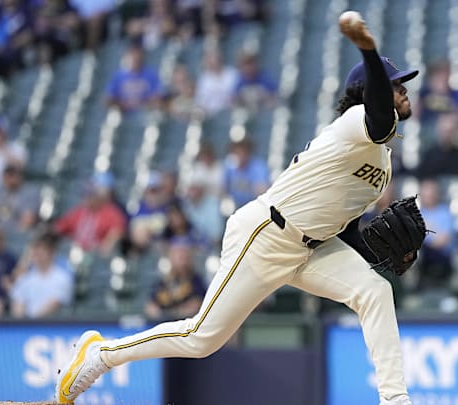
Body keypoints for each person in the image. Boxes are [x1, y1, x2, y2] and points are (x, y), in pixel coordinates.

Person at [57, 12, 417, 405]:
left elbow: (344, 228)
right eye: (397, 85)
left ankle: (394, 400)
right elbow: (380, 112)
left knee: (374, 290)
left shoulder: (381, 165)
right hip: (266, 234)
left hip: (311, 247)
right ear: (371, 91)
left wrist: (380, 254)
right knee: (200, 339)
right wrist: (368, 50)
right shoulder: (355, 124)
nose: (404, 91)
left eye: (401, 86)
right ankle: (100, 355)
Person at [10, 232, 73, 318]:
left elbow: (54, 304)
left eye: (41, 249)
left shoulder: (62, 277)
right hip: (26, 327)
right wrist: (21, 323)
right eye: (35, 249)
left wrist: (32, 322)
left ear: (51, 252)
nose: (37, 252)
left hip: (53, 326)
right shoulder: (25, 277)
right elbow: (18, 303)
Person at [144, 239, 207, 319]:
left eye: (183, 256)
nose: (181, 260)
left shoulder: (197, 282)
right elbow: (151, 307)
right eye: (177, 255)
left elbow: (196, 305)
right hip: (163, 324)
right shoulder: (163, 282)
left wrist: (174, 313)